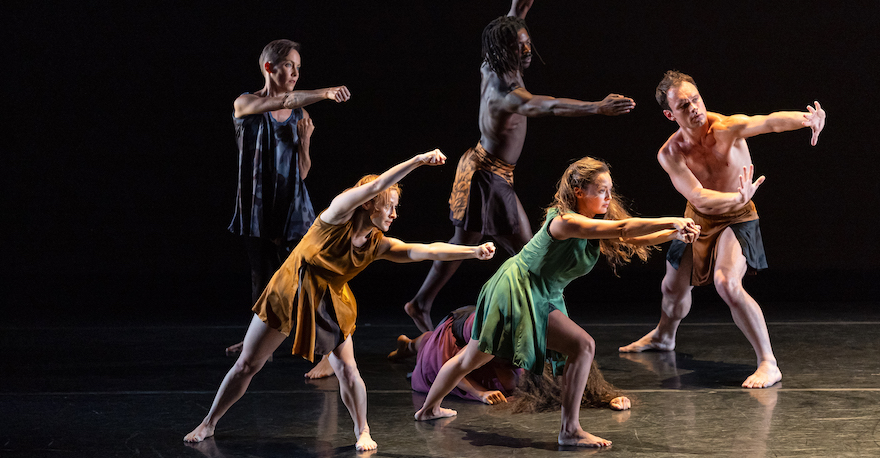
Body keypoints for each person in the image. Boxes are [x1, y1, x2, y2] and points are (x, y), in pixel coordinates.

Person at [184, 150, 497, 451]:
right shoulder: (336, 215)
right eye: (389, 206)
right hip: (290, 289)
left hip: (329, 301)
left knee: (348, 370)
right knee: (248, 364)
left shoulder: (378, 244)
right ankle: (209, 422)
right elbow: (375, 185)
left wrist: (472, 252)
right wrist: (418, 161)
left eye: (396, 208)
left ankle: (363, 429)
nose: (394, 214)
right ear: (368, 204)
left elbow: (425, 250)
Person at [405, 0, 636, 333]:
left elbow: (520, 4)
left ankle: (421, 304)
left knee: (464, 242)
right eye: (521, 46)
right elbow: (548, 106)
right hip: (489, 177)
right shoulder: (506, 93)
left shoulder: (498, 55)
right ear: (504, 50)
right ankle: (545, 324)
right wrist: (598, 107)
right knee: (532, 250)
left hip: (487, 170)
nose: (527, 49)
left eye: (528, 42)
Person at [415, 157, 699, 448]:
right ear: (579, 191)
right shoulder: (564, 222)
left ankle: (428, 409)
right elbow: (625, 228)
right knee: (572, 346)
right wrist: (673, 220)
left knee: (477, 357)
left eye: (610, 190)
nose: (608, 197)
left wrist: (675, 234)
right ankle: (569, 430)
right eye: (602, 191)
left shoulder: (592, 222)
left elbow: (628, 237)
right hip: (519, 287)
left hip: (543, 291)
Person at [619, 70, 826, 389]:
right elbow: (698, 196)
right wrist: (734, 194)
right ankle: (664, 335)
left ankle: (768, 362)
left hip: (738, 216)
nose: (694, 108)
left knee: (726, 282)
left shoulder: (727, 127)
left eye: (695, 99)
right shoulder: (670, 153)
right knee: (672, 287)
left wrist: (806, 119)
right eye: (683, 105)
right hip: (697, 217)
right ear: (669, 114)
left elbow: (769, 121)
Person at [226, 38, 351, 357]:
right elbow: (283, 100)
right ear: (269, 67)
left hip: (294, 208)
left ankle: (328, 352)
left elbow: (303, 172)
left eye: (298, 67)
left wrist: (306, 142)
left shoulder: (299, 114)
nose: (295, 72)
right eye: (288, 66)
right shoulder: (245, 103)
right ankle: (254, 346)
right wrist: (325, 92)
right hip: (259, 208)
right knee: (262, 279)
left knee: (313, 278)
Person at [391, 305, 631, 411]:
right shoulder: (495, 339)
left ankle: (409, 345)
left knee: (512, 381)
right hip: (460, 332)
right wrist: (479, 392)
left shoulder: (537, 346)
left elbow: (569, 374)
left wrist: (605, 398)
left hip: (484, 332)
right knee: (431, 348)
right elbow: (454, 366)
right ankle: (410, 345)